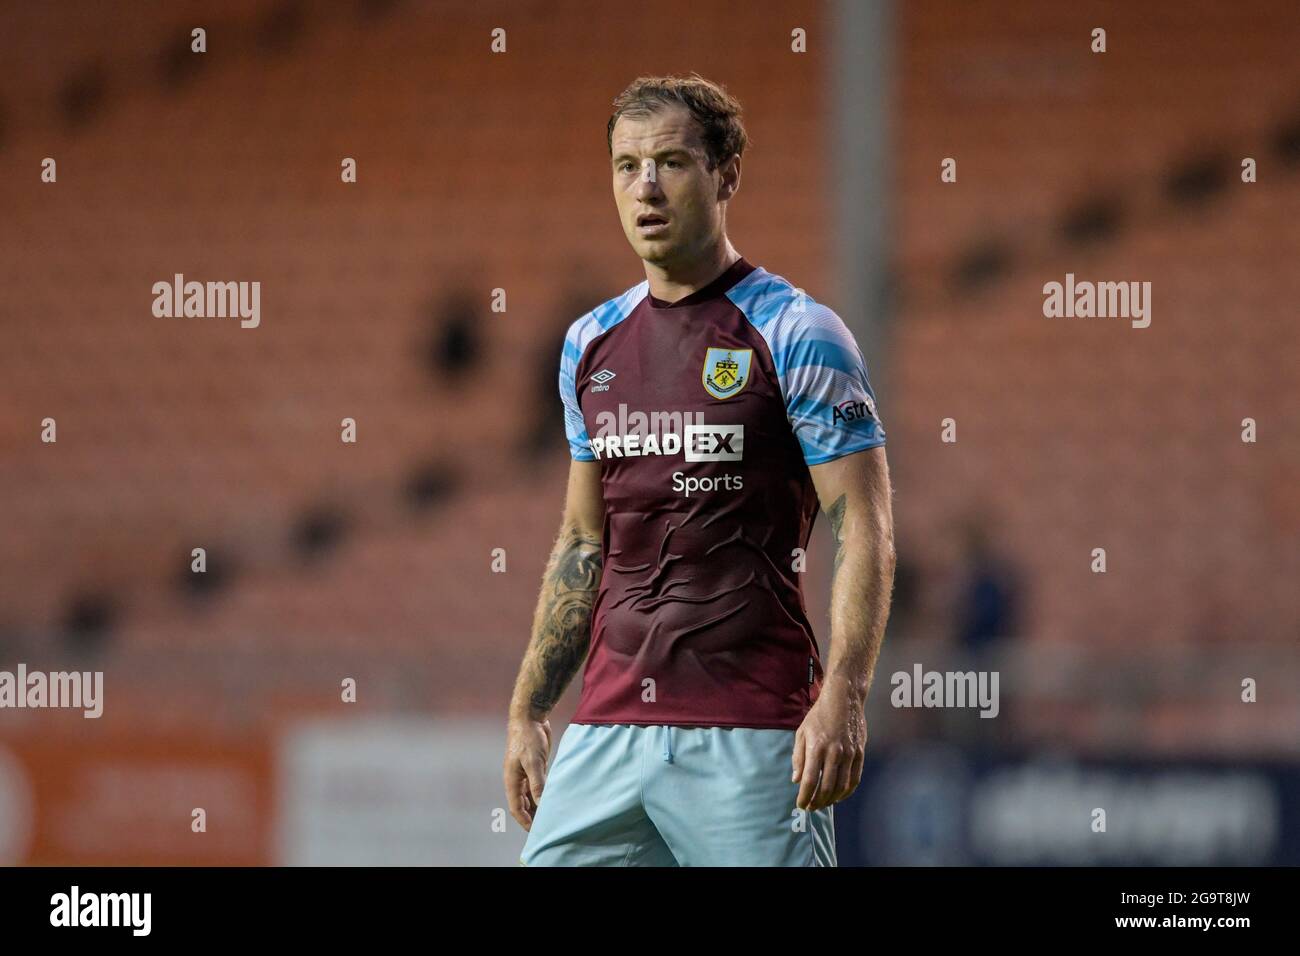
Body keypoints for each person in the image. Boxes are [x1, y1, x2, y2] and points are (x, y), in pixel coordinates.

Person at [503, 73, 895, 866]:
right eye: (625, 165)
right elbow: (584, 542)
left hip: (749, 736)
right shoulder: (589, 345)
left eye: (672, 162)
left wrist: (846, 696)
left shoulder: (796, 332)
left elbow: (865, 527)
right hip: (607, 733)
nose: (645, 186)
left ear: (725, 176)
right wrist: (527, 710)